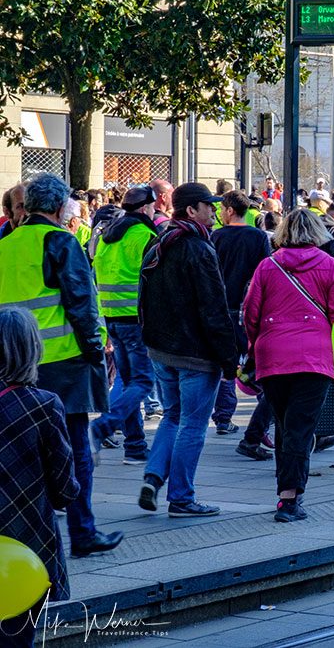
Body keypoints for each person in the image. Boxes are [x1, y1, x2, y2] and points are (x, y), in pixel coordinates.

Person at [0, 173, 121, 558]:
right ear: (58, 207)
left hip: (14, 364)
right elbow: (82, 303)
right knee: (73, 449)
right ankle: (82, 531)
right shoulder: (61, 241)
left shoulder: (6, 243)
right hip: (63, 362)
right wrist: (96, 353)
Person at [137, 183, 237, 518]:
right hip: (195, 354)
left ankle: (153, 477)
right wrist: (228, 358)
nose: (214, 211)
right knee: (193, 424)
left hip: (162, 349)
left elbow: (143, 299)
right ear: (191, 210)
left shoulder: (158, 242)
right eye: (208, 206)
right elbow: (214, 307)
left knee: (173, 416)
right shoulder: (198, 248)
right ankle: (181, 497)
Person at [243, 210, 334, 521]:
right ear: (318, 232)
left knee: (283, 424)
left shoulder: (268, 265)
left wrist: (255, 344)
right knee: (301, 428)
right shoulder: (328, 265)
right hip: (314, 356)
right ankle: (290, 497)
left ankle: (285, 491)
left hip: (273, 353)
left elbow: (250, 312)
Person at [0, 308, 81, 647]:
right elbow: (64, 489)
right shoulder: (43, 405)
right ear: (33, 349)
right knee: (17, 637)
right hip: (25, 544)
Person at [90, 185, 159, 465]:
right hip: (136, 318)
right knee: (143, 381)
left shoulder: (107, 236)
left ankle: (135, 447)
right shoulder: (145, 235)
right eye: (153, 207)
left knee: (130, 381)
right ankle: (102, 427)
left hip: (112, 317)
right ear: (145, 208)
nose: (155, 211)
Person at [210, 191, 272, 436]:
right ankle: (265, 415)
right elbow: (265, 272)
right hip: (250, 308)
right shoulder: (258, 237)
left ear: (229, 210)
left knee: (227, 364)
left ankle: (224, 417)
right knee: (256, 363)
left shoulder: (216, 237)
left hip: (222, 307)